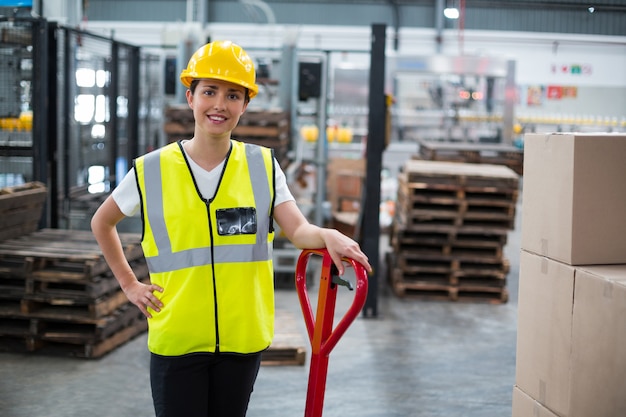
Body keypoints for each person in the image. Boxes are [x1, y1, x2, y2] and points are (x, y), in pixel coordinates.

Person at [91, 40, 372, 417]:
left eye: (233, 95)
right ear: (190, 97)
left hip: (241, 340)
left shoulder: (263, 167)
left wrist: (328, 235)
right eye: (209, 92)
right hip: (178, 339)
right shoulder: (151, 170)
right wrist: (129, 284)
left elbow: (298, 230)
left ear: (245, 104)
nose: (220, 105)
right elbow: (102, 222)